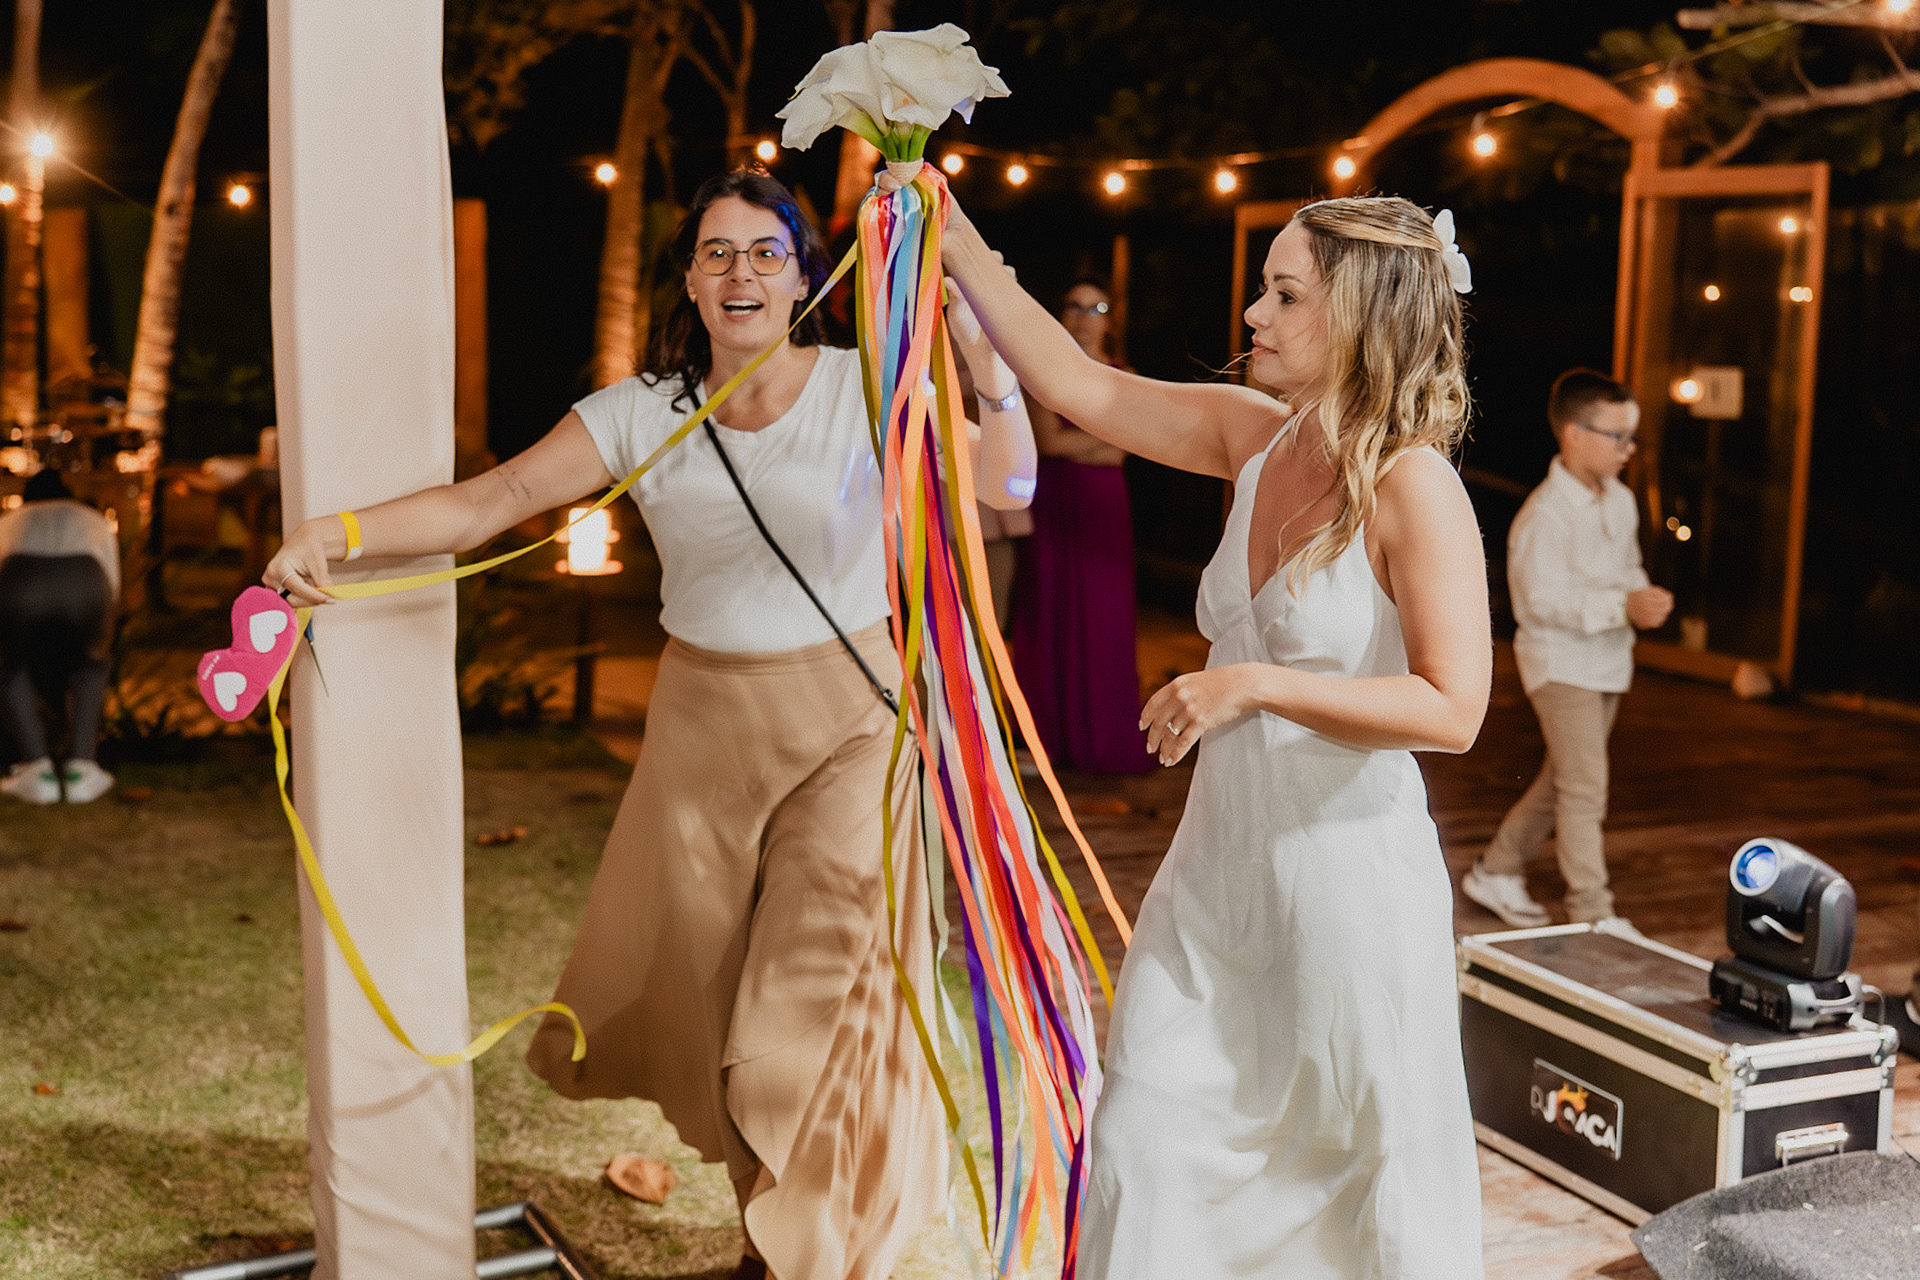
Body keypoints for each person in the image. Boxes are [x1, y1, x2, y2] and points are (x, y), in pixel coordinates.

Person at [264, 169, 1036, 1280]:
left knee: (805, 1006)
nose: (741, 273)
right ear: (686, 276)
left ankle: (805, 1257)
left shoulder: (866, 387)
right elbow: (490, 501)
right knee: (720, 1013)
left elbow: (1009, 486)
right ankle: (768, 1235)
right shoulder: (639, 411)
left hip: (853, 730)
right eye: (717, 252)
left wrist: (990, 368)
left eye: (767, 252)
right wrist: (335, 530)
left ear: (805, 273)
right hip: (701, 737)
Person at [921, 167, 1492, 1278]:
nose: (1253, 314)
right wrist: (949, 234)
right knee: (1143, 1137)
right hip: (1212, 882)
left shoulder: (1416, 487)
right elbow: (1076, 383)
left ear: (1363, 315)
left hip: (1344, 896)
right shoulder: (1252, 436)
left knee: (1345, 1193)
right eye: (1262, 290)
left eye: (1285, 295)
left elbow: (1453, 705)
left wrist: (1255, 685)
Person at [1461, 370, 1673, 929]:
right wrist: (1622, 608)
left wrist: (1641, 595)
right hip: (1560, 666)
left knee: (1564, 779)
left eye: (1632, 438)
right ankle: (1594, 915)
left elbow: (1625, 569)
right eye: (1617, 437)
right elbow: (1540, 602)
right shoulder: (1543, 516)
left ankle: (1496, 869)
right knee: (1584, 787)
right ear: (1573, 434)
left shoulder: (1622, 501)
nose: (1628, 450)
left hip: (1608, 662)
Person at [1010, 279, 1152, 773]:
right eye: (1073, 304)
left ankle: (1100, 732)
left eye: (1097, 307)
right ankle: (1044, 737)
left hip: (1103, 505)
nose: (1083, 315)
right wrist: (1100, 438)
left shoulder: (1125, 375)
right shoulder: (1042, 374)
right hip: (1053, 499)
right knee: (1048, 608)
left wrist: (1096, 442)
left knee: (1102, 611)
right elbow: (1049, 443)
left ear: (1110, 320)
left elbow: (1123, 449)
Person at [0, 470, 119, 805]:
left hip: (20, 583)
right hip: (87, 584)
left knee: (10, 668)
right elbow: (112, 579)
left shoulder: (11, 519)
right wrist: (103, 631)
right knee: (91, 666)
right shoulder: (92, 519)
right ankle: (82, 766)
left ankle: (37, 768)